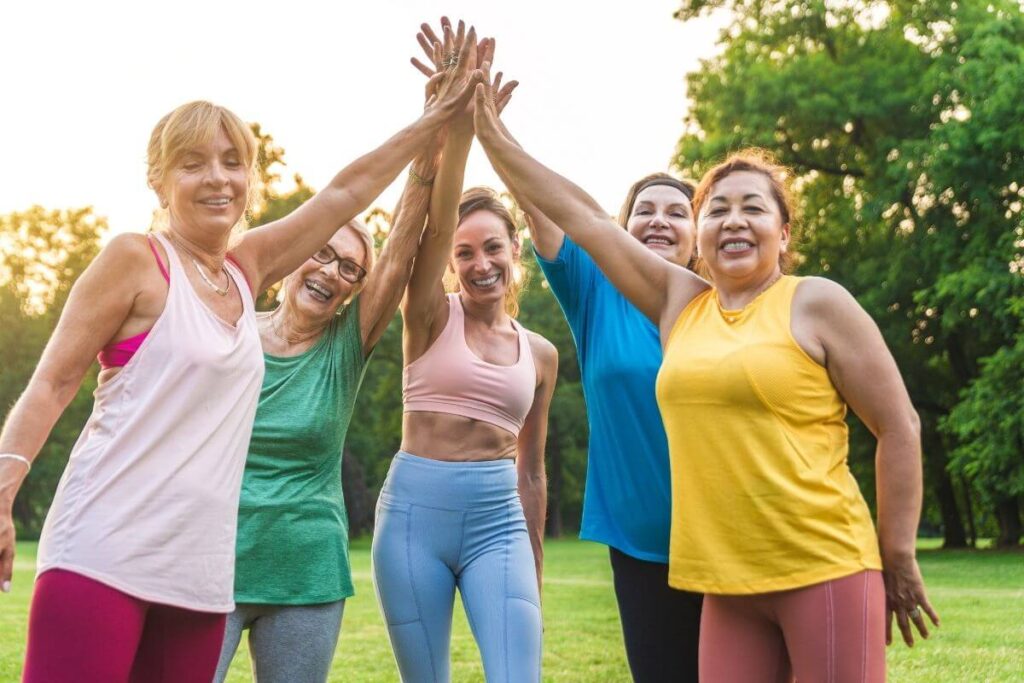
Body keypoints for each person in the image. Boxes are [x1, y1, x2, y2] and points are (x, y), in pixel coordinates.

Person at [0, 45, 480, 682]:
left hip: (200, 573)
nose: (218, 178)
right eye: (193, 164)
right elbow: (52, 382)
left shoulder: (246, 267)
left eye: (233, 163)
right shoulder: (133, 259)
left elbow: (345, 192)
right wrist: (3, 492)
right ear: (159, 179)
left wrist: (434, 122)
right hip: (104, 549)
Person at [472, 74, 938, 681]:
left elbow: (898, 425)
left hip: (822, 564)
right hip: (722, 579)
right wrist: (489, 133)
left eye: (753, 208)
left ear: (784, 231)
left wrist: (897, 553)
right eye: (717, 208)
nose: (733, 220)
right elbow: (583, 217)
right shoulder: (679, 305)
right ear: (704, 234)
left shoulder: (816, 302)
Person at [212, 113, 445, 682]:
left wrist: (430, 148)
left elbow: (399, 257)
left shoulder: (345, 346)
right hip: (210, 562)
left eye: (350, 269)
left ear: (354, 292)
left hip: (306, 571)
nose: (331, 272)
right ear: (293, 258)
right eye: (321, 253)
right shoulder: (230, 327)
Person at [371, 20, 558, 683]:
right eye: (465, 251)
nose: (481, 262)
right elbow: (438, 212)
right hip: (413, 520)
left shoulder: (540, 353)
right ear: (450, 262)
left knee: (518, 674)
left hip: (498, 524)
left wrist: (533, 558)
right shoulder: (426, 315)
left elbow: (531, 472)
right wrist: (461, 126)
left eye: (494, 248)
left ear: (516, 255)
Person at [521, 171, 703, 682]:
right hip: (640, 542)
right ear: (620, 228)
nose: (659, 221)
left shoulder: (720, 302)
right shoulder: (594, 290)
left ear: (698, 235)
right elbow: (540, 204)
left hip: (728, 536)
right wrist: (488, 125)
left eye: (676, 212)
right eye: (644, 210)